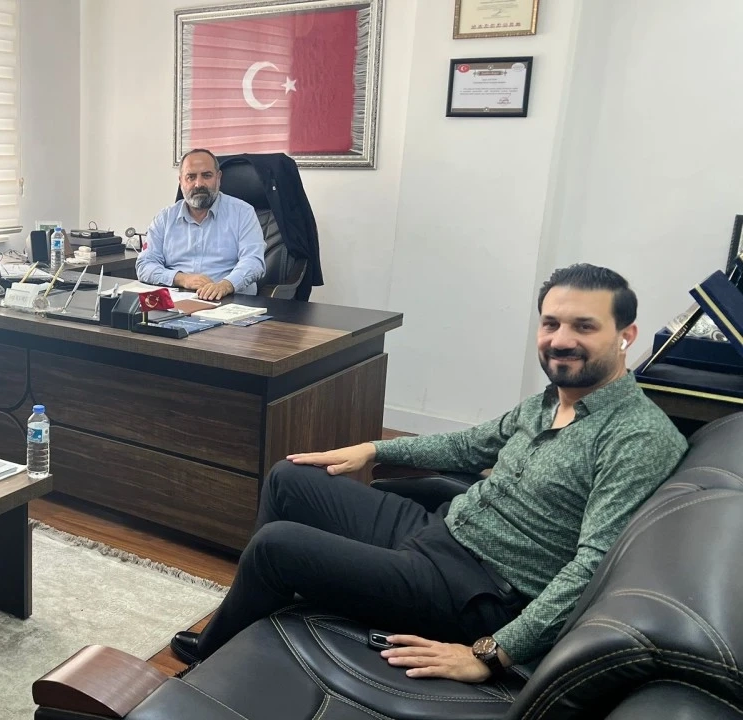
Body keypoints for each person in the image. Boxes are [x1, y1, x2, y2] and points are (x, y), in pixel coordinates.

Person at [170, 264, 687, 682]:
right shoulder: (552, 399)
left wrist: (493, 653)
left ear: (626, 336)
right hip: (442, 531)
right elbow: (467, 445)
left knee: (276, 547)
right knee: (288, 477)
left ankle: (211, 661)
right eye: (551, 324)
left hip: (479, 593)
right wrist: (372, 448)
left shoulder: (637, 436)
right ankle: (256, 619)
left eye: (584, 326)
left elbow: (593, 565)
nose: (561, 340)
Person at [136, 148, 266, 301]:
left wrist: (225, 285)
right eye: (191, 177)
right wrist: (182, 278)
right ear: (181, 181)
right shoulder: (164, 218)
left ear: (218, 178)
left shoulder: (242, 213)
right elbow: (145, 265)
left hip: (230, 300)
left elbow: (253, 262)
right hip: (177, 300)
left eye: (206, 175)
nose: (198, 184)